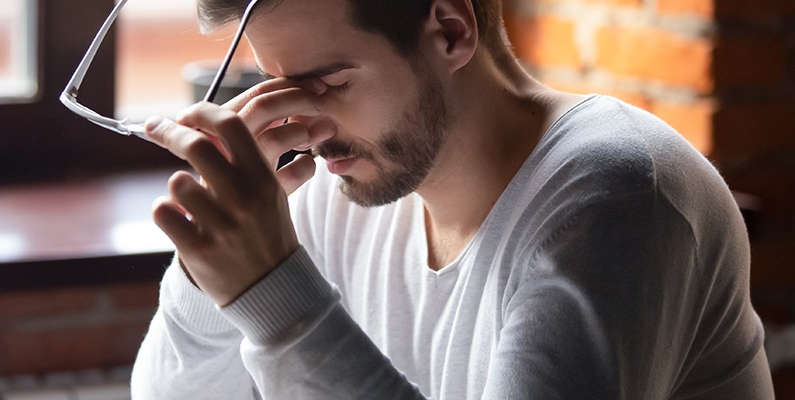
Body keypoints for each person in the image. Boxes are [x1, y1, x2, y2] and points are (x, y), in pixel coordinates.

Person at [128, 0, 775, 398]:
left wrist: (277, 298)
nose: (306, 125)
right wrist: (208, 275)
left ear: (449, 30)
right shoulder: (338, 183)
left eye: (324, 82)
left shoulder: (621, 200)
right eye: (275, 86)